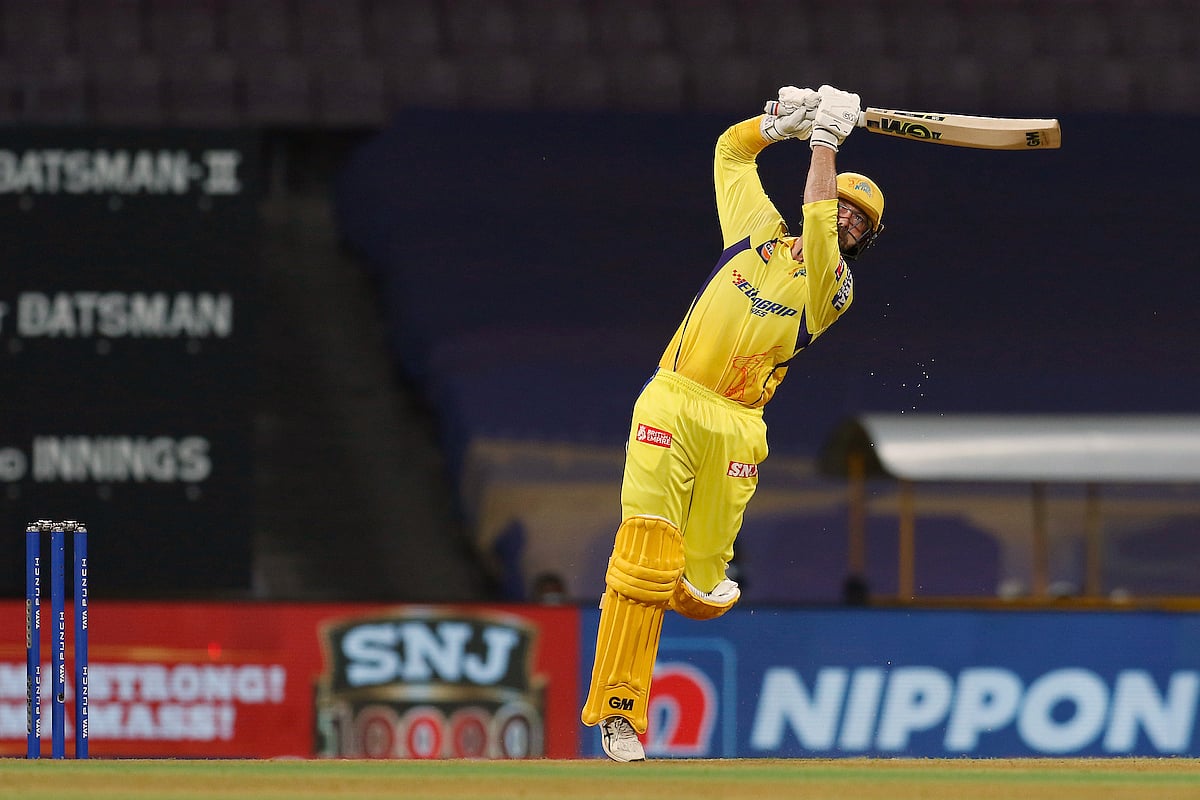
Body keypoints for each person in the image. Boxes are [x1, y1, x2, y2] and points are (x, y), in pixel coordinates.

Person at [580, 84, 885, 762]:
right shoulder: (753, 233)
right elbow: (729, 152)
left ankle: (676, 588)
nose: (848, 223)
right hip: (671, 400)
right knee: (642, 558)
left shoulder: (832, 288)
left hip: (738, 428)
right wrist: (781, 125)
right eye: (847, 211)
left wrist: (827, 146)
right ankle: (621, 712)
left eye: (860, 225)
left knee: (699, 584)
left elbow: (814, 217)